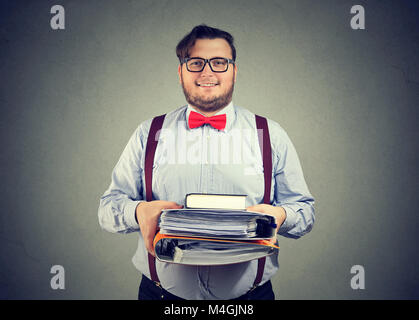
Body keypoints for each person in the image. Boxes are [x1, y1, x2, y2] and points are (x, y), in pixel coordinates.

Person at [98, 24, 315, 300]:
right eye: (196, 62)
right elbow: (107, 209)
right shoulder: (148, 133)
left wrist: (281, 215)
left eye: (219, 62)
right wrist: (138, 211)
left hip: (249, 299)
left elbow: (305, 212)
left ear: (234, 71)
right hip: (161, 297)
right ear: (180, 72)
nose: (207, 72)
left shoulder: (271, 134)